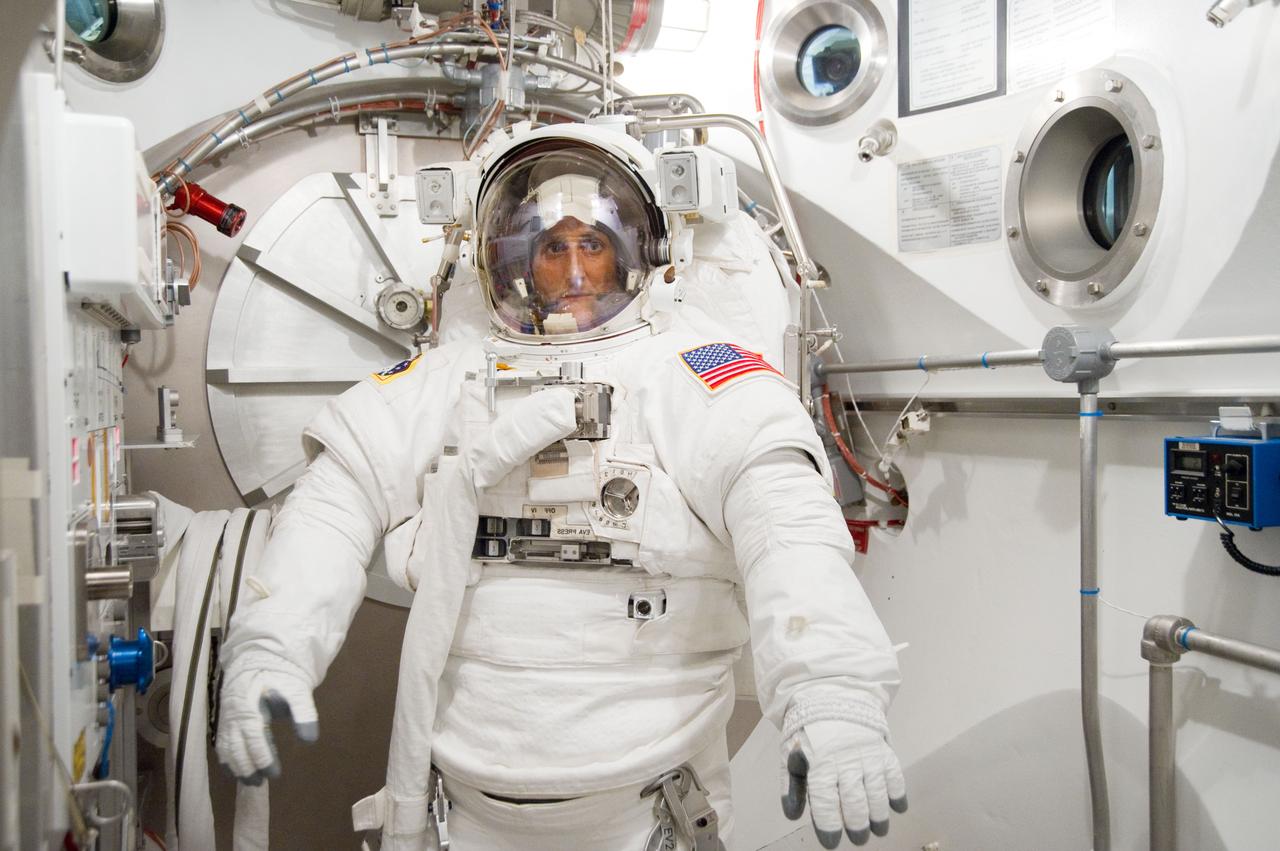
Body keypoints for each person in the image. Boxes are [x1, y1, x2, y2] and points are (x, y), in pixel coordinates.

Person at [215, 122, 906, 851]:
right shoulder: (451, 379)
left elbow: (787, 533)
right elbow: (337, 496)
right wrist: (272, 646)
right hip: (466, 816)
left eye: (594, 243)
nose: (576, 271)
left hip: (648, 817)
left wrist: (832, 695)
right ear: (509, 260)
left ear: (642, 253)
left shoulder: (692, 372)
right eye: (553, 247)